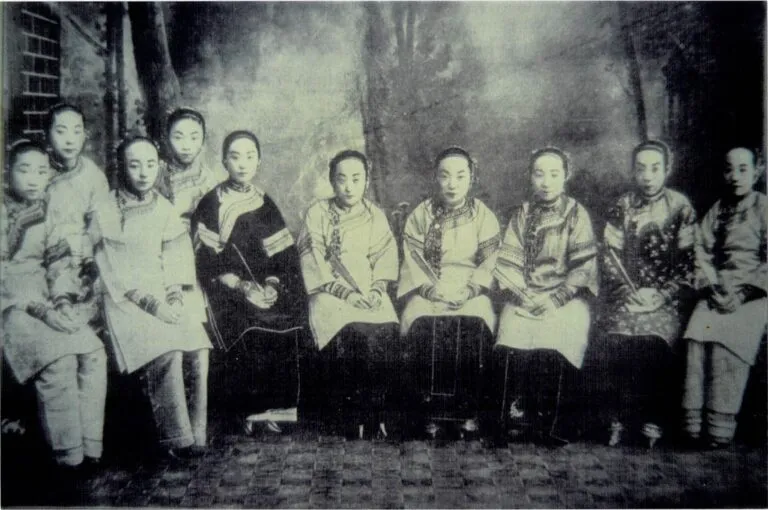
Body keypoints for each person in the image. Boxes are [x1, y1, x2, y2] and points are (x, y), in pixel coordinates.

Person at [91, 137, 211, 460]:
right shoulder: (106, 210)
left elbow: (176, 255)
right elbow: (113, 271)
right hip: (124, 300)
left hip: (162, 291)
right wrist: (155, 307)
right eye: (134, 165)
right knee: (167, 347)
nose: (143, 173)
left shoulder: (163, 206)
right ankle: (175, 437)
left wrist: (172, 297)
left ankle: (196, 433)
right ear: (121, 167)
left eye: (149, 164)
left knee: (197, 345)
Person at [191, 131, 310, 434]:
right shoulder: (210, 203)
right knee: (250, 321)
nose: (242, 164)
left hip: (264, 284)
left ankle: (281, 407)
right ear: (223, 161)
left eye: (249, 157)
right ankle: (251, 410)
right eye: (235, 156)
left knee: (293, 314)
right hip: (225, 287)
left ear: (258, 161)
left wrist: (271, 285)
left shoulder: (264, 201)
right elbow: (207, 261)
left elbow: (282, 256)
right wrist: (243, 288)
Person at [1, 140, 106, 471]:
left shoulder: (50, 209)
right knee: (58, 359)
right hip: (10, 306)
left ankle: (90, 449)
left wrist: (62, 302)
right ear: (8, 172)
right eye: (24, 169)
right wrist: (39, 310)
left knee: (93, 352)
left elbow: (58, 264)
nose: (34, 178)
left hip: (46, 298)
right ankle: (66, 456)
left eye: (41, 171)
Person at [590, 140, 696, 447]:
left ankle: (652, 420)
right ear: (633, 171)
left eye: (655, 168)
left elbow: (689, 264)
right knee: (615, 338)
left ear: (667, 169)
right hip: (629, 298)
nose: (648, 176)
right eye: (641, 169)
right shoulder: (622, 206)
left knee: (654, 341)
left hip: (666, 301)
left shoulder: (681, 208)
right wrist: (628, 293)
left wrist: (662, 295)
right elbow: (609, 259)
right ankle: (619, 419)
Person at [490, 147, 597, 446]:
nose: (546, 182)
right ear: (530, 177)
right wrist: (522, 295)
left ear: (566, 176)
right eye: (539, 174)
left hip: (565, 296)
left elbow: (583, 268)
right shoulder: (522, 215)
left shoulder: (576, 214)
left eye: (554, 174)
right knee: (511, 334)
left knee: (560, 334)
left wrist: (555, 299)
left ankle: (550, 424)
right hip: (525, 294)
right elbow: (507, 262)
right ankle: (513, 418)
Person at [398, 146, 501, 439]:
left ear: (471, 178)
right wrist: (432, 291)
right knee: (419, 321)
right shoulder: (421, 215)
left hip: (471, 289)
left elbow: (490, 262)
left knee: (476, 323)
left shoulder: (484, 215)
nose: (452, 184)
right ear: (435, 178)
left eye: (460, 176)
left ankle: (466, 412)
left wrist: (469, 290)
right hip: (429, 287)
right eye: (445, 176)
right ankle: (431, 412)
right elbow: (412, 259)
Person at [297, 150, 399, 439]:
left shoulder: (374, 214)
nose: (349, 186)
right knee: (353, 330)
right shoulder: (317, 212)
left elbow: (385, 257)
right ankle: (349, 417)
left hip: (369, 288)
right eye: (341, 179)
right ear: (331, 181)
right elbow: (312, 259)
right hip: (328, 290)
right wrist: (348, 295)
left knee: (385, 329)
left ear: (366, 181)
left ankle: (376, 416)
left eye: (356, 179)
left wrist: (378, 290)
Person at [682, 146, 767, 448]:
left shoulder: (764, 207)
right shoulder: (718, 209)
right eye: (730, 169)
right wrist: (711, 286)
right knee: (697, 333)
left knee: (726, 340)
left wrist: (743, 294)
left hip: (755, 294)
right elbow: (701, 250)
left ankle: (720, 425)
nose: (735, 176)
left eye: (743, 169)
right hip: (719, 289)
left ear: (758, 171)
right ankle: (695, 424)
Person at [44, 103, 110, 333]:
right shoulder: (37, 173)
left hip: (80, 253)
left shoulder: (93, 176)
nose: (69, 140)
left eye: (76, 131)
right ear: (47, 135)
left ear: (85, 135)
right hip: (42, 252)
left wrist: (87, 255)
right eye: (61, 131)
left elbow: (97, 225)